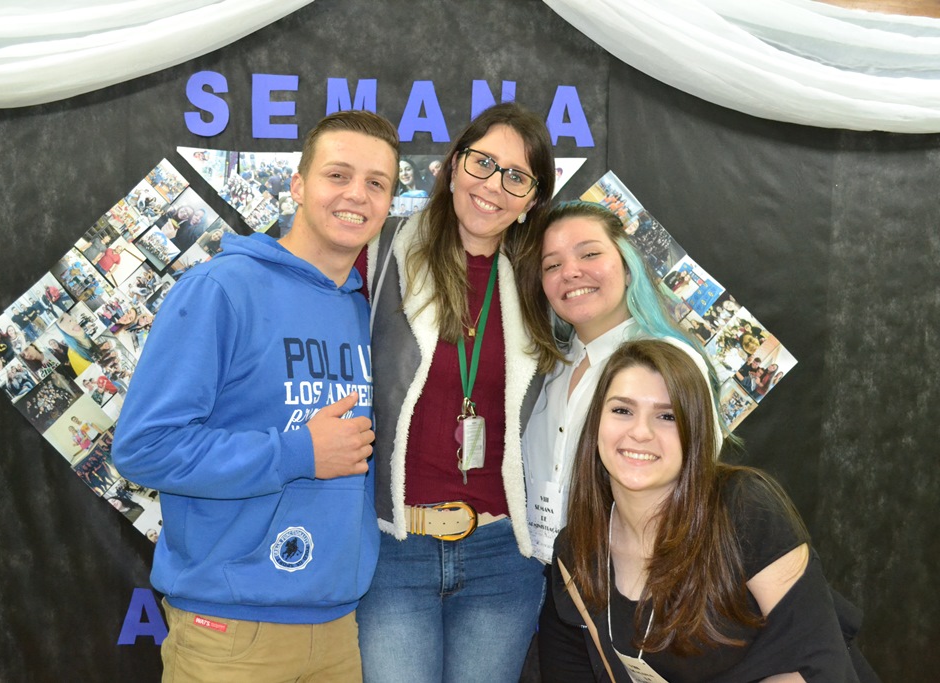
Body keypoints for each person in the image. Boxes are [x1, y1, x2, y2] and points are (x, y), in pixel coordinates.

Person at [112, 109, 399, 683]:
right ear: (297, 185)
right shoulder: (221, 289)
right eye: (338, 175)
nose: (357, 195)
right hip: (230, 630)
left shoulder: (361, 309)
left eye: (377, 183)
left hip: (339, 627)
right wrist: (298, 452)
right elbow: (145, 448)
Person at [357, 101, 556, 683]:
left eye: (517, 176)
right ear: (452, 165)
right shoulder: (382, 251)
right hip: (394, 546)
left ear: (532, 201)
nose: (493, 185)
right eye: (482, 162)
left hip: (503, 555)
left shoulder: (542, 281)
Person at [538, 340, 862, 682]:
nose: (640, 432)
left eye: (667, 416)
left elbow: (820, 664)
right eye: (622, 410)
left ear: (695, 432)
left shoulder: (743, 508)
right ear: (596, 424)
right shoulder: (577, 550)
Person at [521, 201, 720, 565]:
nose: (571, 272)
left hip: (631, 576)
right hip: (540, 574)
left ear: (628, 268)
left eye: (589, 254)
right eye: (552, 265)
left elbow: (697, 477)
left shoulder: (668, 362)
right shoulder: (545, 369)